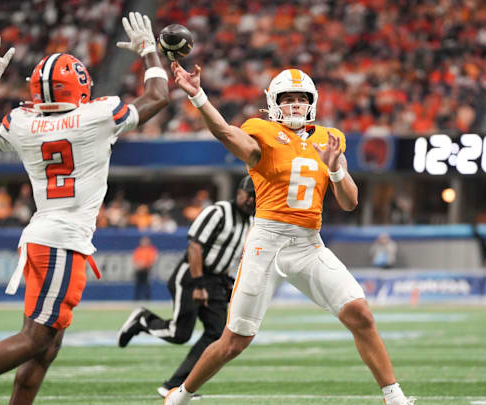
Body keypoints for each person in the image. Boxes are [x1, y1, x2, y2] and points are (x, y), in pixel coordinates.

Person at [0, 11, 169, 405]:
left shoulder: (22, 120)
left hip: (44, 237)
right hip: (62, 243)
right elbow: (157, 96)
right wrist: (149, 51)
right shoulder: (96, 116)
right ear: (80, 88)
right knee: (35, 339)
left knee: (45, 346)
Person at [164, 64, 415, 405]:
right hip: (267, 243)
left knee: (361, 314)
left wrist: (336, 169)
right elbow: (225, 132)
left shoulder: (330, 138)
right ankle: (181, 395)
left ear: (312, 102)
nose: (295, 104)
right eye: (288, 98)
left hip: (309, 243)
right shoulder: (262, 132)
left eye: (301, 98)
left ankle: (394, 396)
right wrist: (197, 94)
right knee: (235, 341)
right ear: (274, 102)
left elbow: (351, 201)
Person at [118, 176, 255, 399]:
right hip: (192, 276)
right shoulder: (219, 212)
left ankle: (178, 385)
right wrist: (199, 284)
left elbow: (230, 256)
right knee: (180, 333)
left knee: (218, 334)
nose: (252, 202)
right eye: (250, 196)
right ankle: (143, 320)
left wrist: (228, 282)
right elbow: (195, 247)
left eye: (257, 199)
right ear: (239, 192)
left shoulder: (249, 222)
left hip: (217, 280)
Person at [133, 236, 158, 300]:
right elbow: (135, 260)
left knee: (146, 285)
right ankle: (137, 299)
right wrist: (139, 264)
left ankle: (147, 299)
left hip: (147, 270)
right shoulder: (138, 250)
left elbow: (152, 260)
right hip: (139, 270)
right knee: (138, 285)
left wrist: (144, 264)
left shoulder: (151, 249)